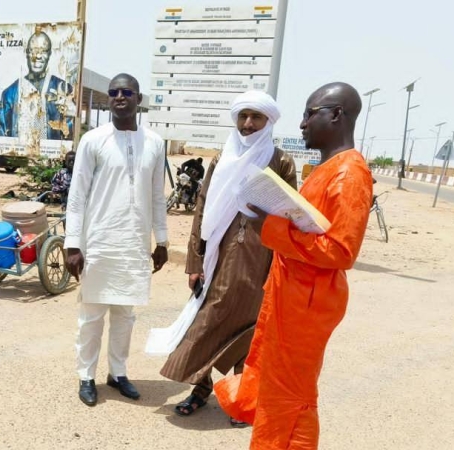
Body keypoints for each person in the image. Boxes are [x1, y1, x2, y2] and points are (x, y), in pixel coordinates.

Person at [214, 82, 374, 449]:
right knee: (274, 388)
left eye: (309, 114)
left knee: (291, 396)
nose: (302, 124)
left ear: (336, 115)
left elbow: (341, 251)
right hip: (291, 296)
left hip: (308, 304)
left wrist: (268, 227)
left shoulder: (349, 173)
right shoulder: (327, 168)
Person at [158, 92, 297, 424]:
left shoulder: (281, 162)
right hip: (217, 258)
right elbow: (202, 209)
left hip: (261, 261)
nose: (248, 124)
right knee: (206, 323)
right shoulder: (223, 158)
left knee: (252, 331)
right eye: (243, 116)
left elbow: (292, 214)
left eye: (256, 117)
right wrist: (195, 262)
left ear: (268, 121)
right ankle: (201, 388)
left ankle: (243, 399)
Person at [64, 73, 168, 407]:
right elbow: (77, 195)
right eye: (113, 92)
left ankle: (118, 373)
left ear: (139, 99)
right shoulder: (93, 140)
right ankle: (86, 375)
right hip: (99, 241)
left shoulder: (155, 143)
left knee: (125, 315)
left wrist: (162, 240)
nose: (119, 97)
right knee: (91, 316)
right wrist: (72, 244)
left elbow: (157, 196)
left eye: (127, 92)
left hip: (134, 243)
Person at [0, 31, 74, 140]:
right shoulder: (9, 94)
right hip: (19, 150)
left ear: (49, 54)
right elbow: (1, 134)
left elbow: (70, 133)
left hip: (50, 151)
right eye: (33, 51)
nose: (38, 56)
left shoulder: (63, 89)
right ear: (27, 53)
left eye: (43, 51)